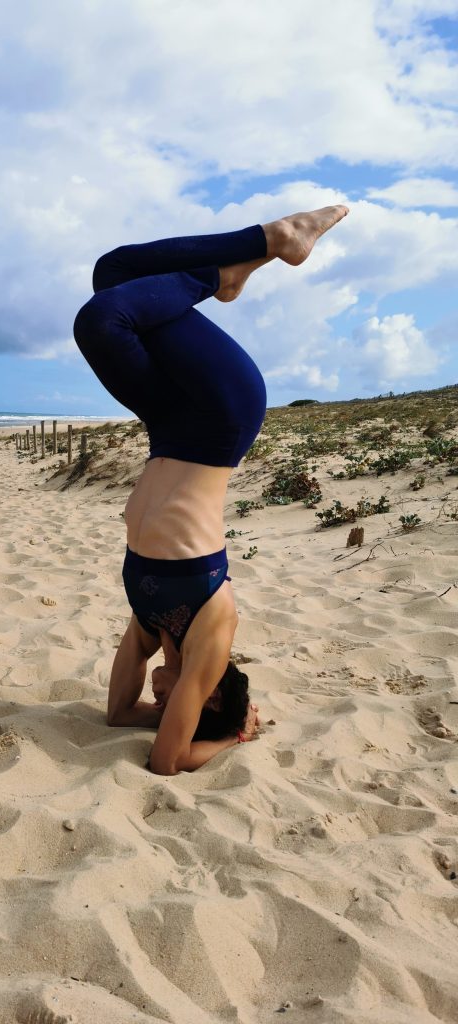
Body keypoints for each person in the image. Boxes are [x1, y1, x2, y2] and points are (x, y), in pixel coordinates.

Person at [73, 206, 349, 775]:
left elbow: (118, 715)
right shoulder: (209, 641)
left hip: (169, 424)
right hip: (223, 416)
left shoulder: (156, 626)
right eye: (170, 706)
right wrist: (234, 736)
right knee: (106, 314)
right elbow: (167, 762)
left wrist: (157, 713)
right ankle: (256, 252)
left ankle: (244, 262)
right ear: (210, 698)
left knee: (111, 279)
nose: (157, 702)